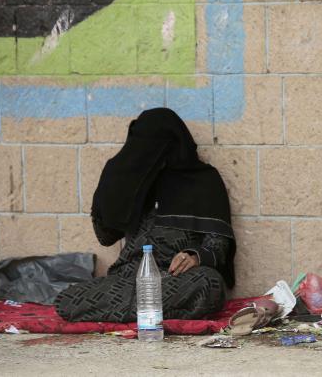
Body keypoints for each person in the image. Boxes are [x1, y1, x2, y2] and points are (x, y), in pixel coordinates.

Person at [55, 108, 235, 322]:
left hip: (174, 277)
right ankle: (149, 311)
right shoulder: (134, 180)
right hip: (129, 277)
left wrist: (194, 256)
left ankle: (127, 312)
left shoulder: (204, 181)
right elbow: (106, 237)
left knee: (209, 283)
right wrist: (111, 184)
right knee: (66, 299)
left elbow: (218, 246)